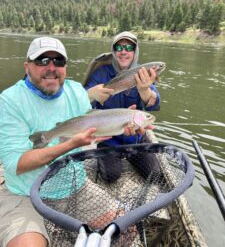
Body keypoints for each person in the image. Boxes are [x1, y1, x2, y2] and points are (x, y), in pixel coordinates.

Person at [0, 37, 138, 247]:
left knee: (127, 229)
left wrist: (121, 119)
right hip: (26, 193)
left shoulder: (76, 92)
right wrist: (69, 145)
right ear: (27, 66)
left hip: (74, 186)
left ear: (65, 66)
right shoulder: (10, 101)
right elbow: (14, 164)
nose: (51, 68)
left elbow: (95, 125)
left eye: (58, 61)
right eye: (42, 61)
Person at [85, 31, 160, 182]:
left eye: (129, 47)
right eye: (119, 48)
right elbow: (80, 100)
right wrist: (91, 94)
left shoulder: (142, 73)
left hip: (136, 137)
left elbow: (154, 104)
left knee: (155, 175)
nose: (124, 52)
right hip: (108, 139)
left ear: (135, 51)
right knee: (110, 176)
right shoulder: (100, 73)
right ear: (114, 51)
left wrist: (145, 91)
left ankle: (132, 154)